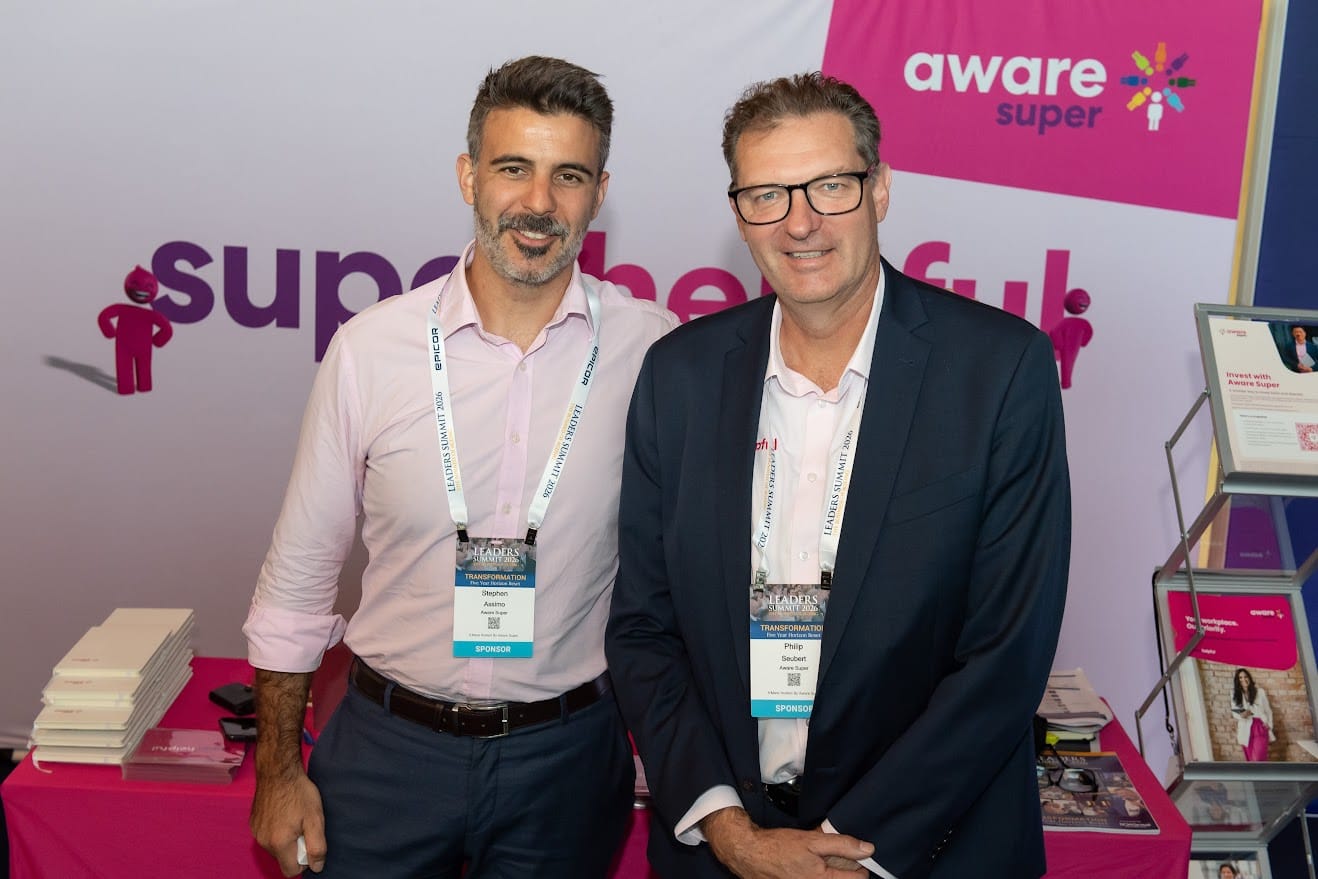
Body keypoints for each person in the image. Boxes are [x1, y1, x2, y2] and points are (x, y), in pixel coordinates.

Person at [606, 72, 1070, 878]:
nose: (800, 223)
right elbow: (645, 629)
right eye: (767, 195)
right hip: (726, 852)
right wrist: (731, 830)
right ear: (739, 215)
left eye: (830, 185)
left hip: (926, 851)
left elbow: (1006, 655)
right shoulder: (678, 376)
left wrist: (853, 848)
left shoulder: (998, 371)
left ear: (880, 187)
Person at [244, 55, 677, 878]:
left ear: (599, 192)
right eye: (513, 168)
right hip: (386, 754)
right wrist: (277, 771)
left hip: (566, 764)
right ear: (468, 176)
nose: (539, 202)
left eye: (568, 175)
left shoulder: (655, 351)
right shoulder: (371, 350)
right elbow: (297, 579)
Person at [1231, 667, 1274, 761]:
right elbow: (1234, 712)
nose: (1243, 679)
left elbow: (1268, 710)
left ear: (1249, 677)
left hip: (1260, 726)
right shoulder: (1235, 694)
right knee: (1250, 760)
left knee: (1258, 759)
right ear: (1237, 680)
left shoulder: (1260, 692)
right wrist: (1241, 715)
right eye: (1240, 677)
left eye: (1245, 676)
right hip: (1245, 727)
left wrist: (1269, 724)